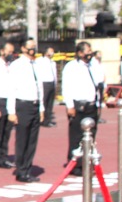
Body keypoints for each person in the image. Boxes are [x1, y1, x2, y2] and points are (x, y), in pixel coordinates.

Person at [7, 40, 45, 183]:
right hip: (22, 105)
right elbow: (11, 88)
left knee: (32, 140)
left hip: (35, 104)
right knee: (22, 139)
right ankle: (21, 170)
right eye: (30, 47)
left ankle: (27, 168)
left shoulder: (36, 64)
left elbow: (39, 87)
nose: (33, 49)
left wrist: (41, 108)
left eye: (34, 47)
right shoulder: (17, 65)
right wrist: (11, 111)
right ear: (23, 48)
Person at [61, 42, 99, 173]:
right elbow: (66, 87)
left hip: (91, 105)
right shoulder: (71, 67)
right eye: (87, 51)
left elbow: (99, 81)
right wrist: (69, 105)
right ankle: (75, 165)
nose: (90, 53)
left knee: (91, 137)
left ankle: (87, 163)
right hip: (78, 106)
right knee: (76, 137)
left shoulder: (93, 65)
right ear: (80, 53)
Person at [36, 47, 58, 127]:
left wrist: (55, 85)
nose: (52, 53)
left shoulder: (53, 62)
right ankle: (41, 119)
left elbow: (55, 75)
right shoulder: (40, 61)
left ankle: (47, 120)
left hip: (51, 83)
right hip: (44, 83)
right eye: (50, 51)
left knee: (50, 103)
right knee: (43, 102)